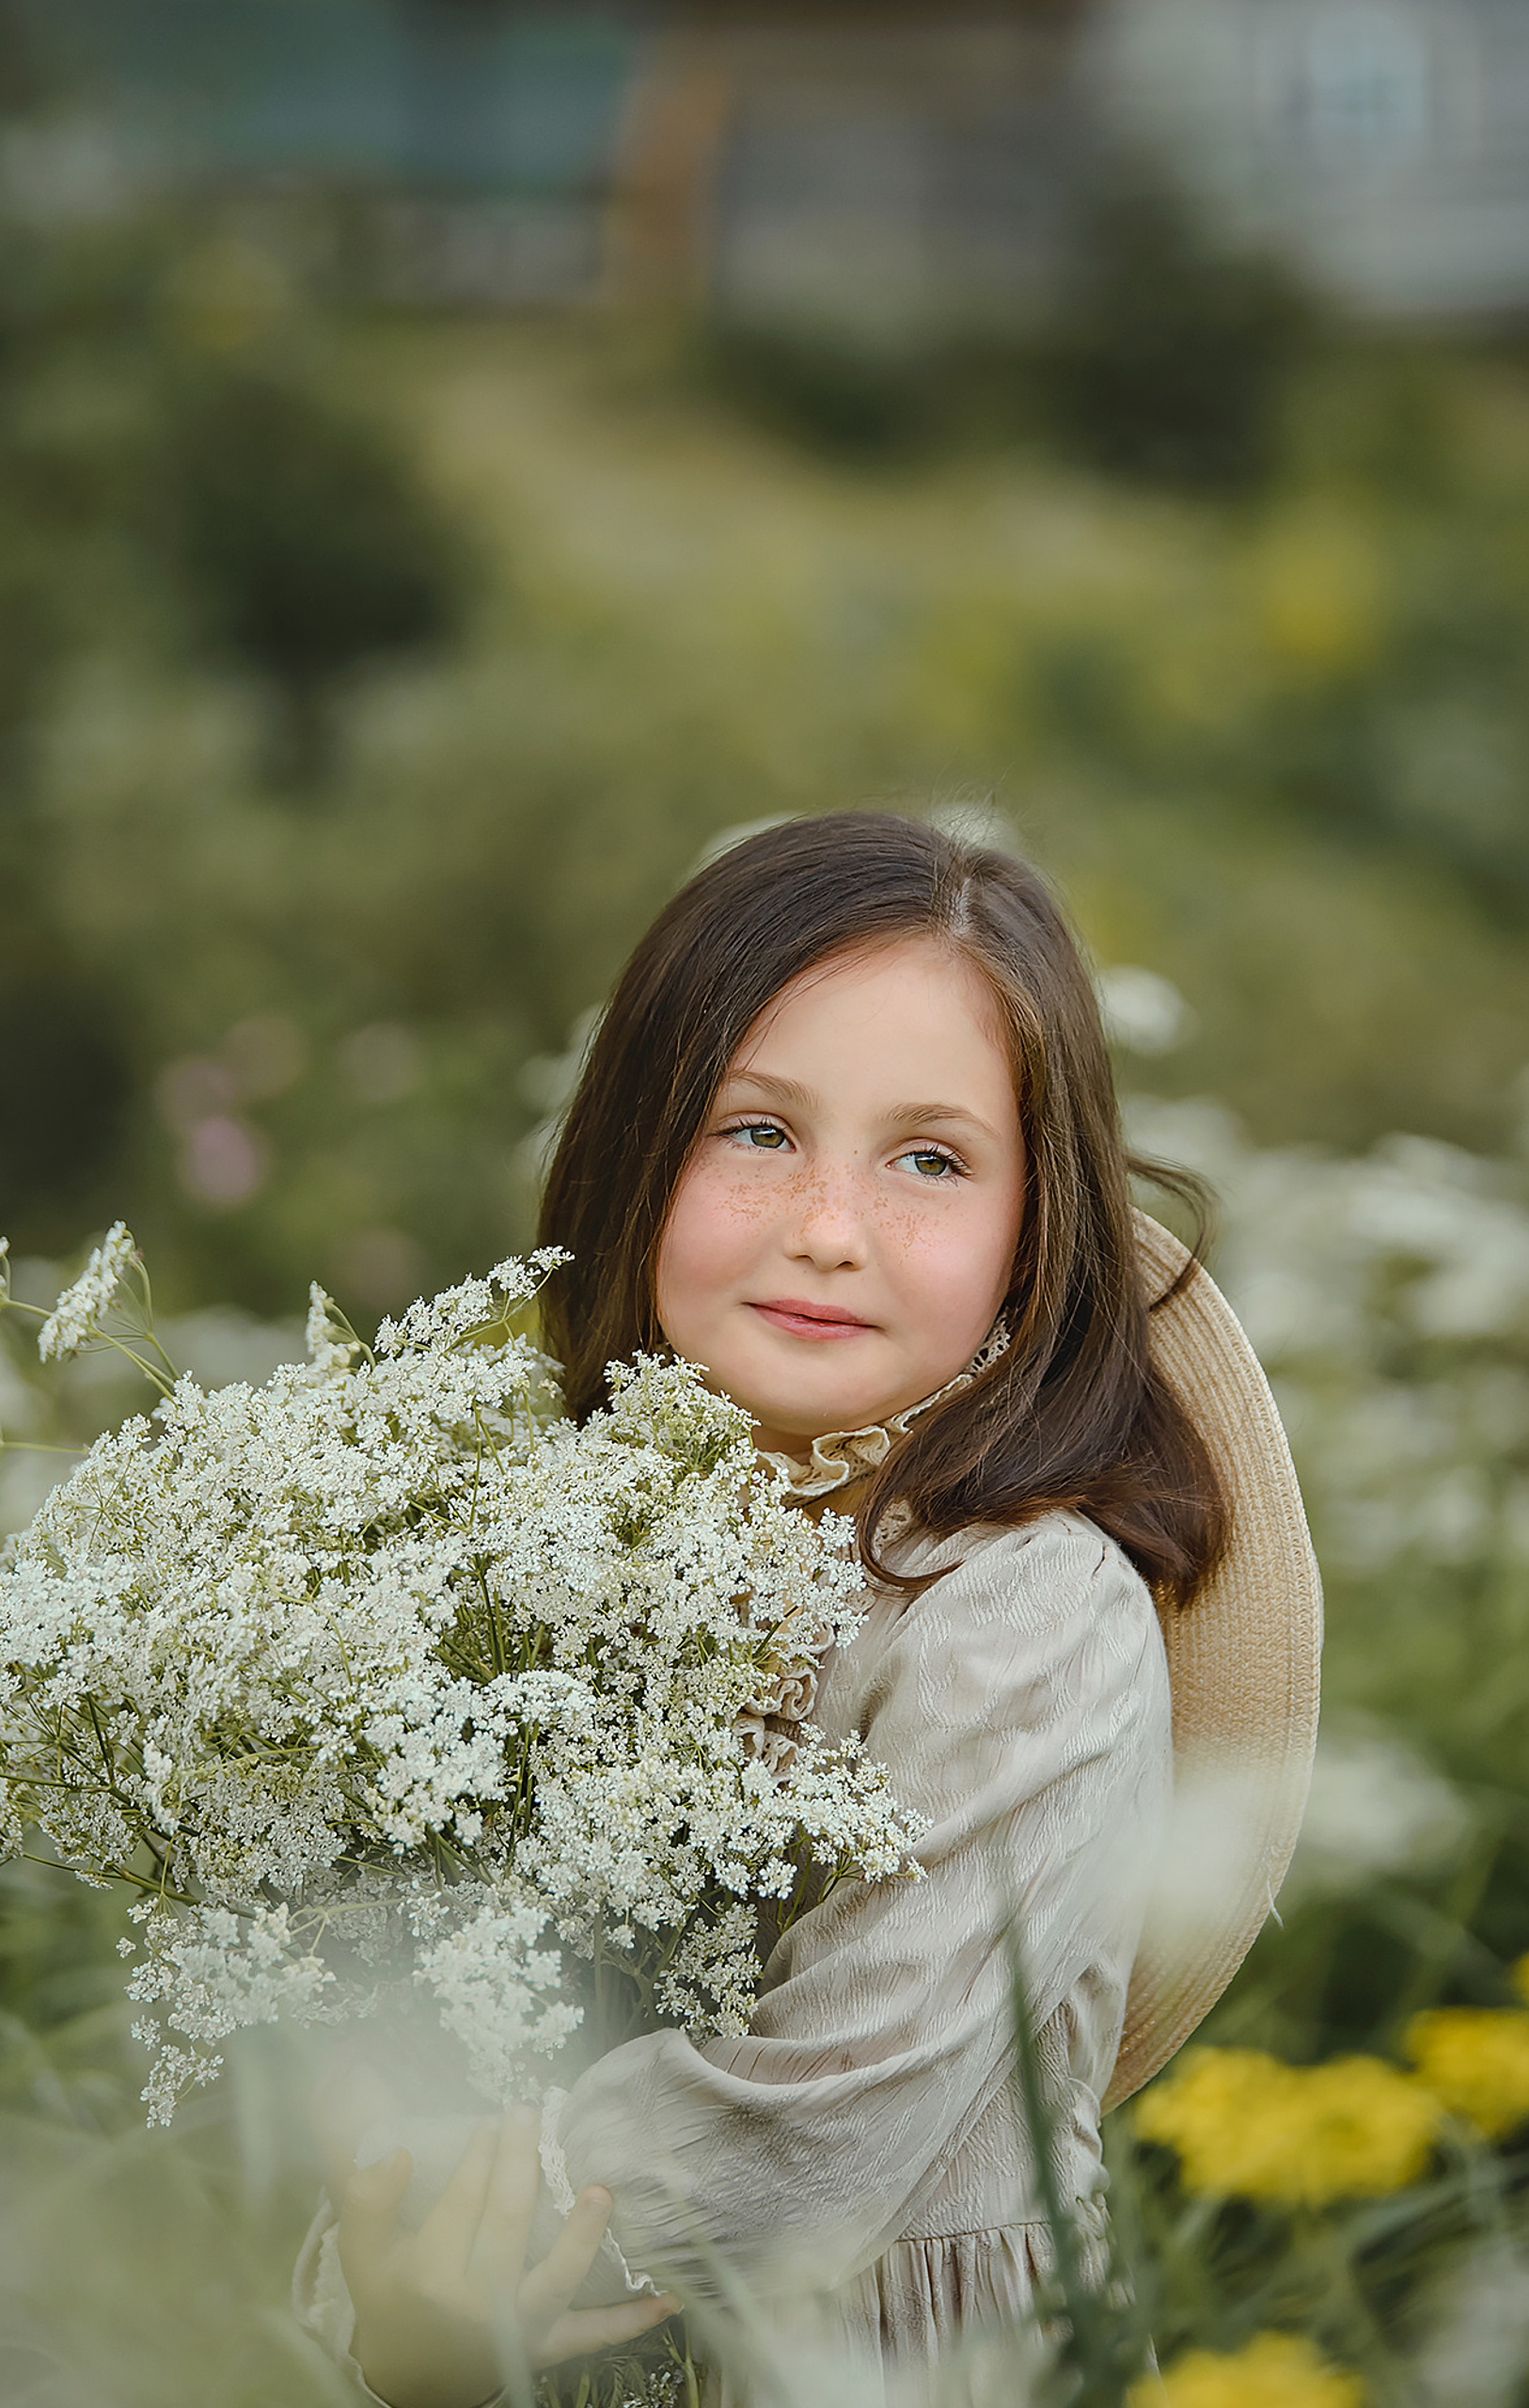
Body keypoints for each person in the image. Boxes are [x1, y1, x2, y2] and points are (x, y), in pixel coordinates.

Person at [295, 812, 1322, 2405]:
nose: (831, 1230)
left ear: (1030, 1237)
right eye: (756, 1131)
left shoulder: (1024, 1608)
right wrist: (383, 2275)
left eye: (931, 1159)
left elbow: (822, 2130)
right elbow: (365, 2000)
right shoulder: (529, 1565)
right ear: (637, 1154)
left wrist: (450, 2240)